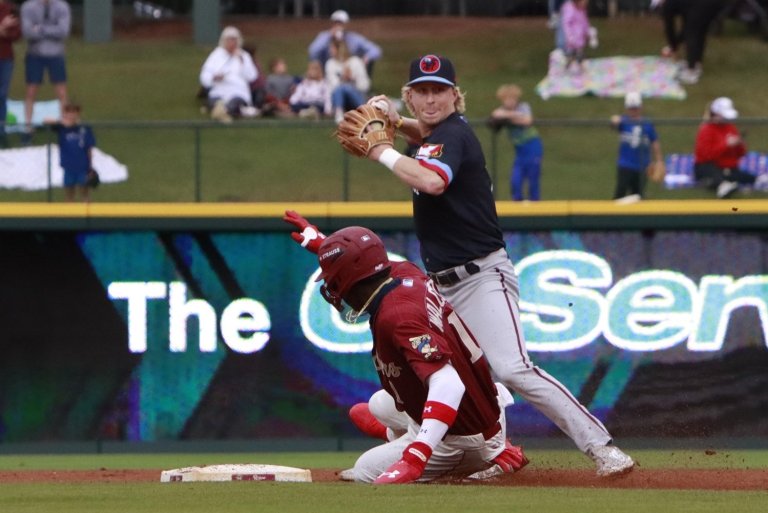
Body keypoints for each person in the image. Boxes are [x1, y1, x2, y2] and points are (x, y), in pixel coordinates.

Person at [358, 54, 635, 477]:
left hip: (480, 276)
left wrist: (381, 149)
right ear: (410, 96)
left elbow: (432, 181)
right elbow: (423, 138)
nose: (431, 99)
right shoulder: (436, 136)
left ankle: (603, 449)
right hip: (441, 284)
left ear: (455, 96)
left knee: (511, 368)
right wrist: (396, 124)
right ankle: (496, 454)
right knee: (460, 376)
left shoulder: (453, 136)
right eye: (422, 91)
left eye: (440, 90)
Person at [284, 219, 528, 483]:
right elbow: (365, 262)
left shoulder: (398, 316)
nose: (332, 286)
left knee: (365, 470)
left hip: (463, 436)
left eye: (334, 277)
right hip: (481, 401)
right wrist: (327, 249)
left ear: (348, 278)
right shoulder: (404, 273)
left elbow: (448, 384)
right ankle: (400, 436)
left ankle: (489, 459)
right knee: (380, 403)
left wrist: (416, 457)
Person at [20, 0, 71, 144]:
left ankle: (65, 126)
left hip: (56, 55)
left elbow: (63, 31)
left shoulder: (62, 7)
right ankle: (28, 128)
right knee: (31, 92)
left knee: (61, 92)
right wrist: (50, 30)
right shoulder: (28, 7)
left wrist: (40, 29)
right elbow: (28, 32)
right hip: (35, 55)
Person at [694, 97, 765, 199]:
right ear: (716, 114)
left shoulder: (730, 127)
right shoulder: (706, 130)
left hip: (728, 167)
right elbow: (706, 156)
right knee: (711, 170)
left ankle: (756, 180)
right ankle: (721, 185)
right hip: (708, 166)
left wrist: (739, 144)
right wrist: (725, 145)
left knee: (735, 174)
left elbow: (740, 154)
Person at [489, 84, 544, 201]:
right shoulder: (503, 111)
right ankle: (517, 202)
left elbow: (527, 120)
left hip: (532, 145)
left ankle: (535, 203)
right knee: (516, 179)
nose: (510, 102)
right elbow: (495, 114)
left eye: (513, 99)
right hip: (520, 151)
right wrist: (513, 115)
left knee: (533, 176)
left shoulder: (524, 107)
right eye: (507, 99)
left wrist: (510, 117)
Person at [653, 0, 727, 84]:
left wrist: (673, 47)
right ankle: (696, 64)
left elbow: (670, 28)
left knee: (692, 33)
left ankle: (691, 72)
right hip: (716, 3)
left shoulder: (667, 5)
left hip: (706, 4)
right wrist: (673, 46)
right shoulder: (680, 5)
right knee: (699, 31)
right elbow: (684, 28)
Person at [199, 26, 259, 123]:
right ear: (224, 41)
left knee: (235, 102)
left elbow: (252, 77)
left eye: (234, 40)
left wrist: (242, 61)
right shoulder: (216, 55)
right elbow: (205, 75)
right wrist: (214, 78)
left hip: (238, 90)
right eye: (229, 40)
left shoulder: (244, 56)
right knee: (215, 100)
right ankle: (223, 112)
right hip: (219, 89)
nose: (232, 43)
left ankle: (222, 112)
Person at [609, 91, 662, 202]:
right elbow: (613, 123)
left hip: (642, 166)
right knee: (620, 194)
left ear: (640, 107)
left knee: (638, 196)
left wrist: (659, 161)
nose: (633, 111)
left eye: (635, 108)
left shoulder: (647, 124)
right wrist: (614, 120)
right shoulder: (624, 122)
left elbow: (655, 142)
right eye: (631, 108)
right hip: (625, 165)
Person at [308, 9, 381, 80]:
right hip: (328, 72)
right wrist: (329, 36)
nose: (338, 25)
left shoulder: (354, 38)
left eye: (341, 23)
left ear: (346, 24)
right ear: (332, 23)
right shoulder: (324, 36)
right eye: (336, 22)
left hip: (350, 73)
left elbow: (376, 50)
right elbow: (312, 51)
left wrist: (367, 58)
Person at [47, 102, 97, 202]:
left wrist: (90, 167)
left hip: (82, 167)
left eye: (73, 112)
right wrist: (61, 122)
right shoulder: (62, 128)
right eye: (68, 112)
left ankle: (87, 215)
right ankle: (69, 216)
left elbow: (89, 149)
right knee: (69, 194)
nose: (71, 115)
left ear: (78, 113)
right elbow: (46, 120)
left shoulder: (85, 129)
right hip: (68, 167)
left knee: (84, 193)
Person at [325, 38, 370, 123]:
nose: (329, 51)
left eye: (332, 48)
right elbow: (333, 86)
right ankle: (339, 113)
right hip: (338, 98)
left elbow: (365, 85)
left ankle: (363, 112)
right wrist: (343, 78)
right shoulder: (330, 64)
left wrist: (352, 78)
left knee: (346, 87)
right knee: (341, 88)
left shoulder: (355, 61)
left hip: (356, 96)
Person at [0, 0, 21, 148]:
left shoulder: (10, 8)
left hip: (5, 58)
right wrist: (2, 29)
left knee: (2, 95)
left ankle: (1, 132)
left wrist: (5, 31)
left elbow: (17, 34)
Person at [560, 0, 591, 73]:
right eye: (583, 3)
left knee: (580, 53)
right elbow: (566, 24)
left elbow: (585, 22)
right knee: (571, 54)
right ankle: (567, 66)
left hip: (580, 37)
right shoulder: (570, 10)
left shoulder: (582, 10)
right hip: (572, 38)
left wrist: (587, 32)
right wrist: (569, 36)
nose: (585, 5)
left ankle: (580, 67)